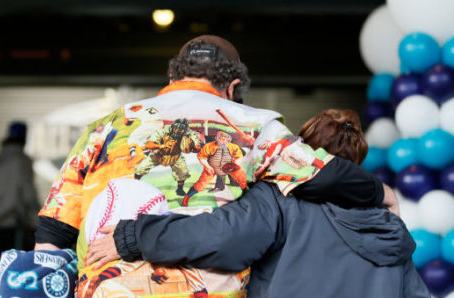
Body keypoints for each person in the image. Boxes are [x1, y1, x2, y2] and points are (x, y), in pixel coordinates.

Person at [33, 36, 396, 298]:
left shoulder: (107, 126)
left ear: (173, 77)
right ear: (233, 86)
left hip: (106, 288)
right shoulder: (254, 124)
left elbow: (53, 230)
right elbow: (323, 175)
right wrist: (384, 193)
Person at [86, 109, 430, 298]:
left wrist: (132, 237)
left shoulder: (278, 202)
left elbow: (216, 237)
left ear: (300, 154)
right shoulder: (389, 226)